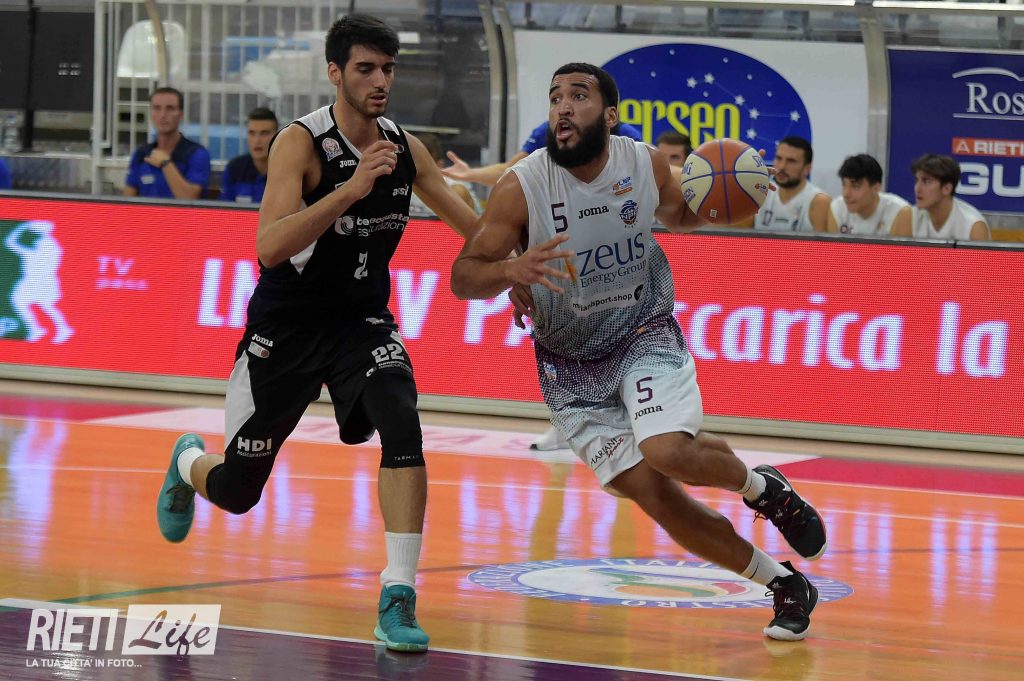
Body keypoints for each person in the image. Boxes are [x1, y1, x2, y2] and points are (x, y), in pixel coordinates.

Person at [451, 62, 827, 641]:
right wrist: (510, 270)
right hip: (571, 366)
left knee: (666, 450)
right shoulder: (522, 186)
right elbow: (464, 276)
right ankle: (784, 583)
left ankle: (762, 492)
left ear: (610, 115)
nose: (563, 107)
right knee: (655, 496)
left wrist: (734, 194)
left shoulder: (643, 163)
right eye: (555, 97)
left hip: (640, 330)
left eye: (578, 95)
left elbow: (681, 215)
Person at [154, 14, 479, 654]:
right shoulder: (300, 143)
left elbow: (472, 227)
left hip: (361, 322)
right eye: (366, 68)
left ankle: (398, 594)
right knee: (238, 493)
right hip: (287, 328)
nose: (381, 81)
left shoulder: (405, 148)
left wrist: (516, 269)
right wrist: (352, 189)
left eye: (388, 69)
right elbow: (269, 247)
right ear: (335, 73)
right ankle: (188, 463)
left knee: (401, 417)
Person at [441, 118, 643, 187]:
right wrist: (471, 174)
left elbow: (648, 175)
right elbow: (510, 171)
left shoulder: (625, 136)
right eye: (557, 99)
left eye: (580, 97)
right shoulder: (547, 131)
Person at [124, 87, 211, 200]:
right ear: (151, 114)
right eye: (157, 108)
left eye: (170, 108)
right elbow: (127, 201)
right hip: (147, 212)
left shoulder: (197, 154)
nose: (163, 115)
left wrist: (166, 164)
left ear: (180, 114)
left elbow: (188, 199)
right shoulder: (141, 154)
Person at [890, 154, 989, 241]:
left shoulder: (973, 226)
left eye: (926, 181)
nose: (917, 188)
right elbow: (892, 255)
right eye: (917, 180)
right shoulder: (908, 216)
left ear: (946, 188)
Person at [741, 136, 829, 232]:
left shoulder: (818, 201)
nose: (782, 166)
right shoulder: (761, 192)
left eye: (791, 161)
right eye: (779, 158)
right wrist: (744, 182)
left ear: (807, 168)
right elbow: (734, 234)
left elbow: (823, 242)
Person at [826, 153, 911, 236]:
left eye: (855, 186)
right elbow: (833, 246)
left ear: (876, 188)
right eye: (844, 185)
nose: (846, 194)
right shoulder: (838, 208)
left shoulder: (898, 211)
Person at [408, 132, 479, 215]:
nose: (413, 165)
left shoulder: (456, 189)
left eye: (421, 161)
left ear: (439, 165)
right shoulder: (401, 184)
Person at [219, 107, 278, 204]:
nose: (257, 141)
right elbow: (224, 208)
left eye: (264, 133)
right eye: (252, 133)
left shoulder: (288, 170)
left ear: (277, 136)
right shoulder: (234, 168)